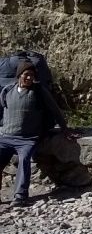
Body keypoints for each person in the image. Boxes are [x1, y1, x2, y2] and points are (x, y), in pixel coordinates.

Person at [0, 61, 76, 207]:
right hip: (5, 137)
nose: (29, 78)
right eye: (26, 75)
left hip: (27, 139)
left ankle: (20, 196)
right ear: (19, 76)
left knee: (25, 159)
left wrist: (65, 129)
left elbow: (55, 110)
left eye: (32, 75)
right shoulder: (7, 91)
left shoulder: (39, 91)